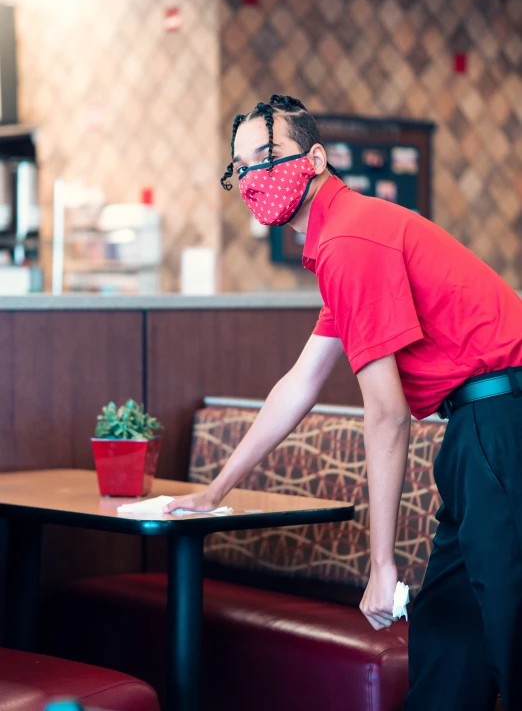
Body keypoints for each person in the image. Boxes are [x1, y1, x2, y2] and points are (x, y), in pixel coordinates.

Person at [165, 94, 522, 711]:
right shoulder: (345, 238)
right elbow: (298, 385)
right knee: (450, 641)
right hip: (479, 433)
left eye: (267, 157)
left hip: (502, 423)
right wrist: (213, 491)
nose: (254, 178)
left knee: (511, 639)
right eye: (242, 167)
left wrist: (380, 566)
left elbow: (384, 414)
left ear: (318, 158)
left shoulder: (351, 240)